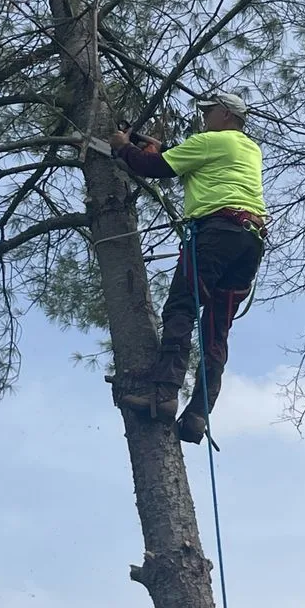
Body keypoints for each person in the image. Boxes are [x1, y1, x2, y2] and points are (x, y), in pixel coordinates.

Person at [108, 93, 267, 445]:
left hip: (216, 235)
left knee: (181, 307)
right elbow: (194, 162)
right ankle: (198, 414)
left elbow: (155, 168)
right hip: (249, 240)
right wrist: (161, 147)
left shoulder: (211, 142)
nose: (205, 118)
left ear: (226, 114)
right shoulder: (247, 149)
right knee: (216, 329)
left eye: (209, 112)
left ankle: (163, 394)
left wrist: (123, 147)